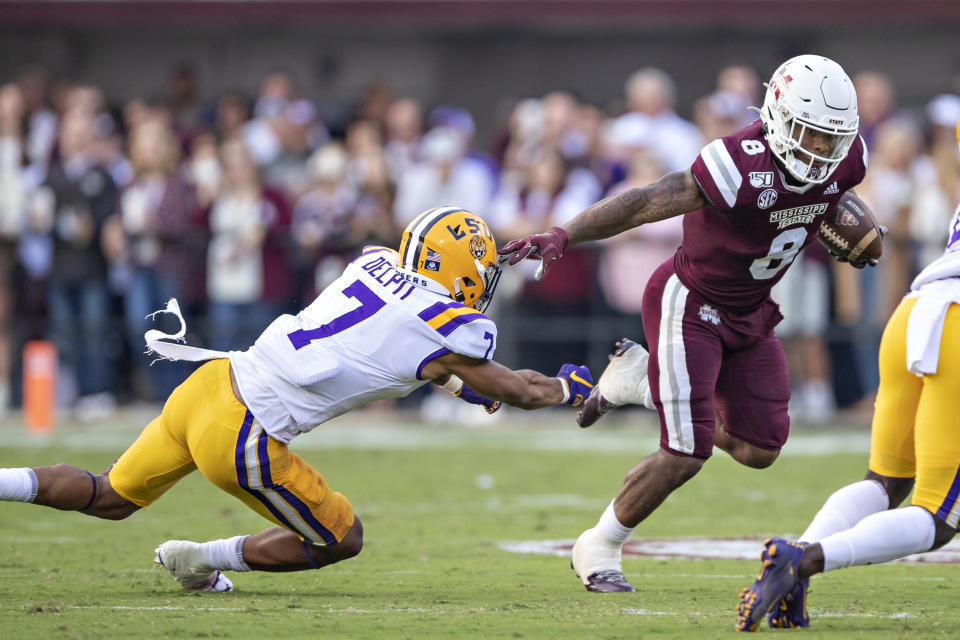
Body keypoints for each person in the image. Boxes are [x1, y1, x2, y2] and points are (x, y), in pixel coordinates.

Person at [0, 206, 593, 593]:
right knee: (340, 539)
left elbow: (389, 345)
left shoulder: (375, 264)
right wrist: (568, 387)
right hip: (245, 437)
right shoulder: (445, 328)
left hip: (211, 383)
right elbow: (518, 389)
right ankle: (204, 558)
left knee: (109, 497)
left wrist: (460, 384)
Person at [499, 54, 872, 593]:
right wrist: (563, 233)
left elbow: (832, 194)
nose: (819, 151)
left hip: (750, 311)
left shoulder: (848, 157)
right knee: (686, 451)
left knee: (761, 448)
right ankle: (599, 545)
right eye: (807, 134)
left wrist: (856, 226)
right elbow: (646, 202)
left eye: (828, 140)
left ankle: (641, 381)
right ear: (777, 116)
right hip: (689, 304)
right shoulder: (738, 163)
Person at [733, 123, 960, 632]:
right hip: (958, 330)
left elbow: (950, 137)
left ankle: (794, 574)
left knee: (885, 482)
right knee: (939, 517)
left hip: (917, 307)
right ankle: (804, 562)